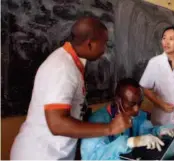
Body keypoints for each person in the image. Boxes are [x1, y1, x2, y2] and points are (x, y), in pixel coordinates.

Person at [10, 17, 129, 160]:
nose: (104, 50)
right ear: (90, 44)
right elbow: (57, 124)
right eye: (104, 44)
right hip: (40, 154)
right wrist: (110, 128)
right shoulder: (62, 68)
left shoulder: (72, 63)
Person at [80, 78, 174, 160]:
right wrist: (129, 142)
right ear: (118, 100)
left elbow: (146, 133)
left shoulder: (137, 115)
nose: (137, 109)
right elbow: (92, 157)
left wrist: (159, 131)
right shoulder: (98, 120)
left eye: (139, 103)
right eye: (132, 104)